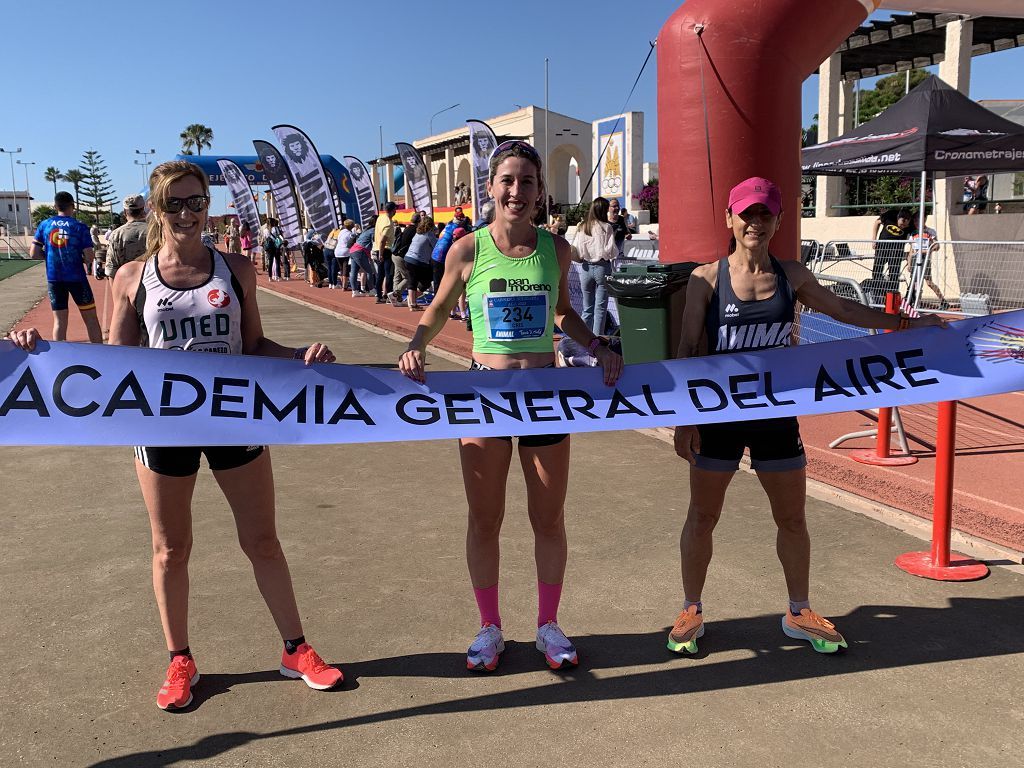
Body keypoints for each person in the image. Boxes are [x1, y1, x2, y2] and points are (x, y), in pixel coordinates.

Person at [7, 161, 344, 710]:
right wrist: (39, 351)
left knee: (263, 541)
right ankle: (179, 659)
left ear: (207, 205)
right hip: (162, 427)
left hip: (235, 419)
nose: (187, 214)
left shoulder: (236, 269)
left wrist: (299, 356)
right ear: (158, 209)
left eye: (196, 202)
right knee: (171, 548)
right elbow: (114, 362)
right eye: (174, 204)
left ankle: (295, 648)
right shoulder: (132, 277)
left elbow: (254, 344)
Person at [668, 177, 946, 657]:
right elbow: (689, 349)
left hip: (777, 419)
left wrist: (905, 325)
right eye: (747, 213)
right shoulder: (705, 279)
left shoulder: (791, 275)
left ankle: (799, 611)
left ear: (777, 222)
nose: (755, 222)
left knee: (792, 518)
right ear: (730, 219)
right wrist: (685, 419)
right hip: (720, 420)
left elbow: (841, 309)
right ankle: (691, 609)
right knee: (703, 516)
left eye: (765, 214)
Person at [399, 140, 623, 672]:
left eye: (527, 182)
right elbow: (437, 307)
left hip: (545, 394)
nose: (516, 191)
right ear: (491, 188)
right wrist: (415, 345)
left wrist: (595, 346)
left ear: (540, 191)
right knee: (485, 518)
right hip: (485, 396)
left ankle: (548, 624)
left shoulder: (555, 249)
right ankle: (489, 627)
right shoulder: (468, 250)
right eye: (507, 181)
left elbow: (564, 312)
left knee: (548, 518)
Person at [31, 191, 103, 343]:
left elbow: (34, 253)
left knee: (59, 321)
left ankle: (59, 358)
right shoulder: (79, 227)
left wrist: (50, 256)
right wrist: (77, 258)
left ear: (55, 206)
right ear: (73, 206)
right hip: (77, 278)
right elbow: (90, 257)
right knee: (91, 319)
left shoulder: (45, 225)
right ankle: (100, 355)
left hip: (54, 279)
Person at [574, 196, 617, 334]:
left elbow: (576, 249)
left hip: (585, 268)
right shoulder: (606, 227)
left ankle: (582, 340)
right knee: (600, 309)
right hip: (602, 267)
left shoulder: (582, 226)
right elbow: (612, 252)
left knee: (587, 308)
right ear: (603, 210)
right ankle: (597, 343)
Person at [905, 216, 948, 310]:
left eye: (918, 220)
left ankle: (943, 301)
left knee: (928, 282)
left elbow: (937, 246)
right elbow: (911, 250)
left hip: (925, 260)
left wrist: (926, 251)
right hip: (914, 260)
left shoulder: (930, 232)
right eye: (915, 220)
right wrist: (909, 263)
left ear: (924, 220)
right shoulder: (913, 233)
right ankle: (917, 303)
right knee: (915, 282)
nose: (916, 222)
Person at [106, 194, 149, 280]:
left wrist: (116, 293)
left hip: (126, 284)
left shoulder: (116, 234)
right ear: (143, 210)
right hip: (154, 285)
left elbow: (111, 270)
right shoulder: (156, 231)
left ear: (125, 212)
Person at [871, 208, 912, 298]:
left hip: (896, 251)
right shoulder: (890, 216)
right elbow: (876, 223)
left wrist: (910, 257)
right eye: (901, 224)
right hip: (882, 248)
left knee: (894, 274)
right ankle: (877, 294)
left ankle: (892, 297)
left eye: (905, 226)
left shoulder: (910, 224)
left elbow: (913, 239)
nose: (902, 227)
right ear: (898, 218)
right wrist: (874, 239)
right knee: (877, 270)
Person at [403, 215, 437, 311]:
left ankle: (412, 301)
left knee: (412, 280)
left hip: (408, 258)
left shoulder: (417, 233)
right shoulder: (429, 234)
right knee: (427, 279)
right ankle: (413, 303)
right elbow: (436, 246)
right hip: (418, 261)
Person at [373, 202, 397, 303]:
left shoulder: (381, 217)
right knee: (389, 274)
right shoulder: (388, 223)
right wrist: (381, 254)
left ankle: (379, 295)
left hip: (377, 247)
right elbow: (383, 240)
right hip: (385, 250)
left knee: (380, 274)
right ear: (393, 210)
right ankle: (387, 295)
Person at [349, 215, 378, 296]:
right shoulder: (373, 230)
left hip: (353, 250)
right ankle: (372, 289)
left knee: (354, 272)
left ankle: (354, 291)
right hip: (360, 251)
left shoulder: (366, 229)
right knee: (369, 271)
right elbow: (374, 242)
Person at [334, 219, 357, 291]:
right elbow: (353, 241)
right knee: (345, 270)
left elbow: (338, 239)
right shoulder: (350, 233)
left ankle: (343, 284)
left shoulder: (341, 232)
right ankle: (345, 286)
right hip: (345, 252)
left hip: (337, 251)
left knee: (341, 269)